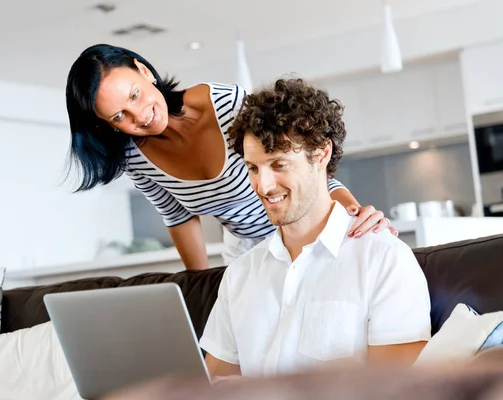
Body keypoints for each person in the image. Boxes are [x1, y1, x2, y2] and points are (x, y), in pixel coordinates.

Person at [65, 44, 396, 270]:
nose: (139, 116)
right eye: (119, 116)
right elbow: (178, 217)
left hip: (304, 229)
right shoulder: (132, 156)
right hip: (244, 250)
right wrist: (201, 287)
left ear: (143, 70)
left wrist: (354, 214)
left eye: (135, 95)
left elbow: (305, 167)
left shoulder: (227, 105)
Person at [200, 78, 432, 378]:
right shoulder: (240, 274)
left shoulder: (383, 259)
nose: (263, 186)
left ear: (321, 154)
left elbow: (397, 390)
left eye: (279, 165)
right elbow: (215, 387)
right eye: (253, 168)